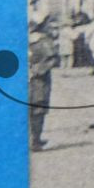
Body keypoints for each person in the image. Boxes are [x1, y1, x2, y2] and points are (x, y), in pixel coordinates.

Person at [28, 14, 60, 150]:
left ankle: (35, 140)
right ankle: (33, 140)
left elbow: (52, 59)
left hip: (35, 81)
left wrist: (35, 70)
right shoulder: (43, 41)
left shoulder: (41, 41)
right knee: (34, 109)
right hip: (33, 82)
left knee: (35, 109)